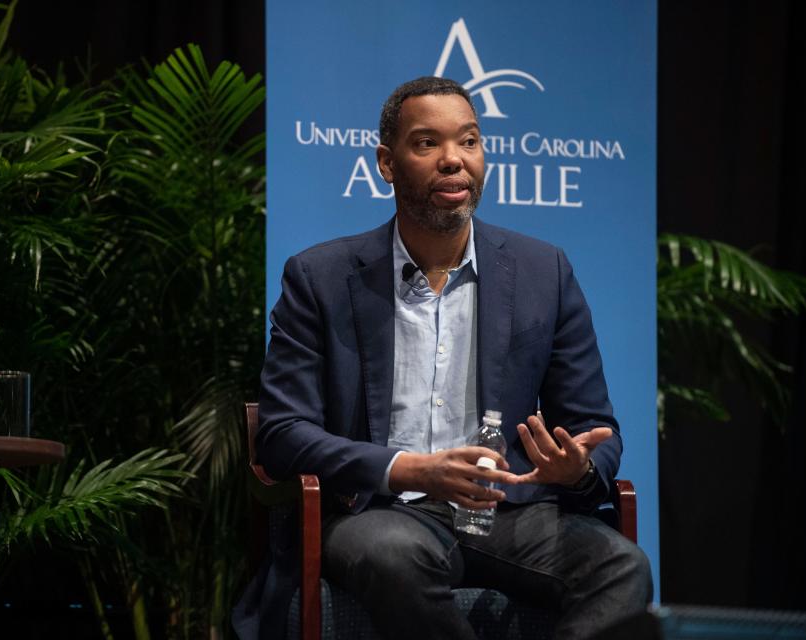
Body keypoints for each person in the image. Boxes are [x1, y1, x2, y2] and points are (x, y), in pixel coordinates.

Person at [234, 76, 652, 640]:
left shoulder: (542, 272)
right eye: (427, 143)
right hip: (380, 511)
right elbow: (282, 433)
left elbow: (592, 429)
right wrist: (408, 468)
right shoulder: (321, 278)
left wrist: (576, 469)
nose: (454, 160)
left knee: (622, 568)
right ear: (387, 163)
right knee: (392, 555)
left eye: (470, 141)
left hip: (507, 513)